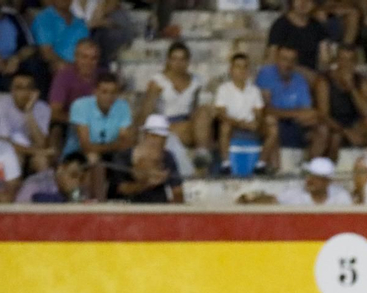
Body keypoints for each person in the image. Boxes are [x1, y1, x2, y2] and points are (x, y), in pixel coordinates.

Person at [139, 42, 209, 171]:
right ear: (168, 60)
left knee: (204, 111)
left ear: (188, 62)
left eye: (182, 59)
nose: (178, 64)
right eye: (174, 59)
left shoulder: (196, 82)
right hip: (166, 124)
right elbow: (145, 112)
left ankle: (202, 153)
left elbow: (195, 109)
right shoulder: (158, 81)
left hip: (187, 123)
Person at [214, 53, 276, 174]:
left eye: (245, 67)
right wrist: (240, 124)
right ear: (231, 70)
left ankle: (261, 164)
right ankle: (226, 163)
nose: (242, 70)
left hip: (251, 126)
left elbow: (259, 113)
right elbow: (221, 114)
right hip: (233, 125)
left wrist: (256, 123)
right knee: (225, 126)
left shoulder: (254, 90)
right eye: (238, 67)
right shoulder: (224, 89)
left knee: (272, 128)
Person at [259, 44, 324, 159]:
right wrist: (295, 113)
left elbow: (308, 112)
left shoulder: (299, 80)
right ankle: (271, 167)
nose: (288, 64)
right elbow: (266, 109)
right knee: (270, 121)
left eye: (292, 60)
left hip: (295, 125)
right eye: (284, 59)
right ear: (277, 59)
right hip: (273, 124)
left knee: (319, 126)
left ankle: (309, 168)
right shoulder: (266, 74)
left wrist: (289, 114)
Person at [112, 114, 184, 202]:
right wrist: (148, 184)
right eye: (154, 136)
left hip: (159, 209)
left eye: (162, 138)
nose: (158, 142)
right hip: (129, 208)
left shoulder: (167, 157)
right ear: (145, 135)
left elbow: (177, 191)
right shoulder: (124, 156)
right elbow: (121, 188)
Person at [0, 71, 55, 175]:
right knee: (14, 158)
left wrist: (29, 112)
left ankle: (44, 190)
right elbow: (5, 144)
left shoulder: (43, 108)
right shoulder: (0, 107)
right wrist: (36, 151)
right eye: (19, 88)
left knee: (42, 161)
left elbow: (42, 143)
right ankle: (12, 189)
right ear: (12, 90)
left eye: (28, 88)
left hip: (33, 153)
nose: (24, 92)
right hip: (7, 153)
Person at [68, 71, 133, 162]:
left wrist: (105, 147)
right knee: (93, 158)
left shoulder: (123, 106)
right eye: (104, 92)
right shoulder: (80, 105)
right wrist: (115, 146)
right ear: (95, 91)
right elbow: (85, 146)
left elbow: (125, 142)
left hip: (111, 154)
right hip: (78, 154)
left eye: (113, 92)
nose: (109, 96)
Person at [33, 0, 90, 75]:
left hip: (82, 68)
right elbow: (46, 53)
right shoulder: (44, 19)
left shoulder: (80, 23)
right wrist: (70, 67)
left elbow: (87, 49)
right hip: (56, 68)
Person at [16, 150, 87, 201]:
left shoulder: (77, 192)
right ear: (60, 168)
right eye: (73, 175)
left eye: (81, 179)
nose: (76, 182)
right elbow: (19, 213)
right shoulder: (35, 183)